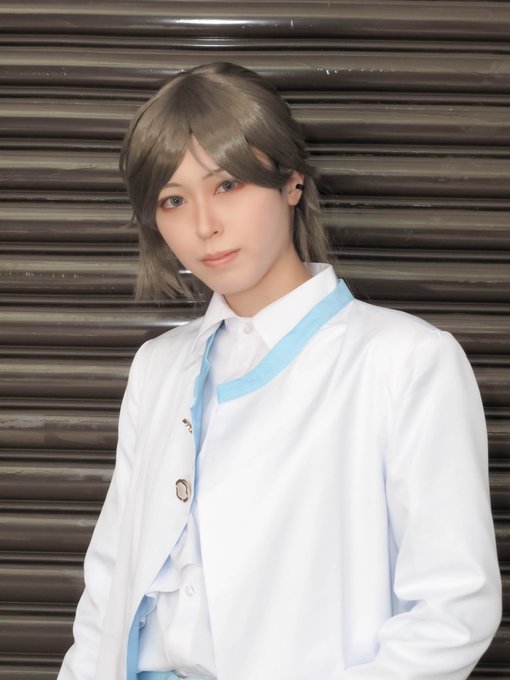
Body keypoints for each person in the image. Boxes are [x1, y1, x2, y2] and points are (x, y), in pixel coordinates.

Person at [58, 62, 501, 680]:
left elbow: (453, 612)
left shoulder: (405, 360)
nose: (204, 225)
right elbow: (109, 582)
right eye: (173, 200)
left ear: (292, 182)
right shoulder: (158, 366)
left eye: (228, 185)